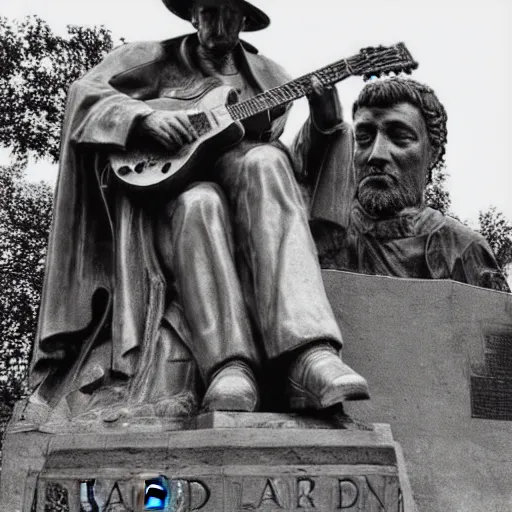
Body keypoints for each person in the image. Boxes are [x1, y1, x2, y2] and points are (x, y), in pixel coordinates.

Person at [28, 0, 369, 421]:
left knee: (267, 160)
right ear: (192, 15)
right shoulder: (150, 58)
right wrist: (141, 119)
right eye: (209, 10)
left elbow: (297, 173)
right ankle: (229, 366)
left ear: (245, 21)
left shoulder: (268, 78)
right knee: (199, 203)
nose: (218, 22)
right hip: (163, 205)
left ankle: (308, 353)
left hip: (247, 185)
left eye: (229, 12)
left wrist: (324, 124)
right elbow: (84, 94)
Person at [309, 77, 510, 293]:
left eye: (400, 137)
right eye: (364, 138)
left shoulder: (462, 250)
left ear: (432, 153)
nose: (376, 154)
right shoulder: (317, 239)